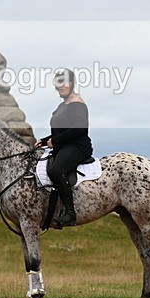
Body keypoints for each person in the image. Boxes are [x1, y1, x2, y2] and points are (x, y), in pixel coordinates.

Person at [34, 68, 93, 228]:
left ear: (72, 84)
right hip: (64, 145)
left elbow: (79, 129)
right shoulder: (62, 105)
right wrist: (45, 141)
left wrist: (56, 141)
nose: (61, 86)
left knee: (55, 170)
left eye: (64, 83)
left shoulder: (77, 103)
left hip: (78, 146)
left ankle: (70, 213)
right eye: (58, 83)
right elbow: (62, 130)